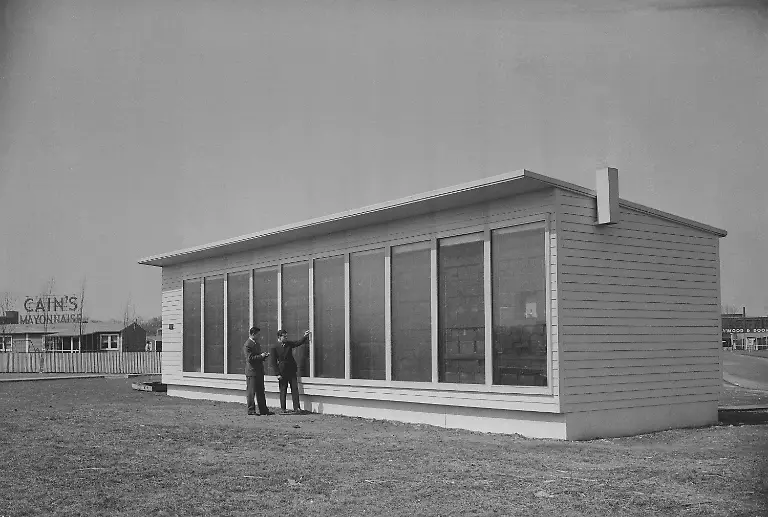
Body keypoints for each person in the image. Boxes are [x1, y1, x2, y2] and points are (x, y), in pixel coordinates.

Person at [271, 329, 310, 414]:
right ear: (279, 337)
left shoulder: (289, 344)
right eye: (284, 336)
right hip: (282, 371)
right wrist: (277, 374)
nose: (286, 338)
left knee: (295, 389)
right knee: (283, 390)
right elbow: (273, 362)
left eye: (286, 336)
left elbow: (298, 343)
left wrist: (305, 336)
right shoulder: (274, 347)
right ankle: (283, 409)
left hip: (291, 370)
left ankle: (297, 408)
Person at [243, 326, 273, 416]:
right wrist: (261, 356)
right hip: (252, 372)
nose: (259, 336)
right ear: (253, 334)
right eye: (258, 334)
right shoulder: (248, 344)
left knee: (261, 391)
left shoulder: (256, 344)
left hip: (259, 371)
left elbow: (256, 356)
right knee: (251, 392)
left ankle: (263, 410)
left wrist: (263, 356)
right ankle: (251, 410)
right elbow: (250, 359)